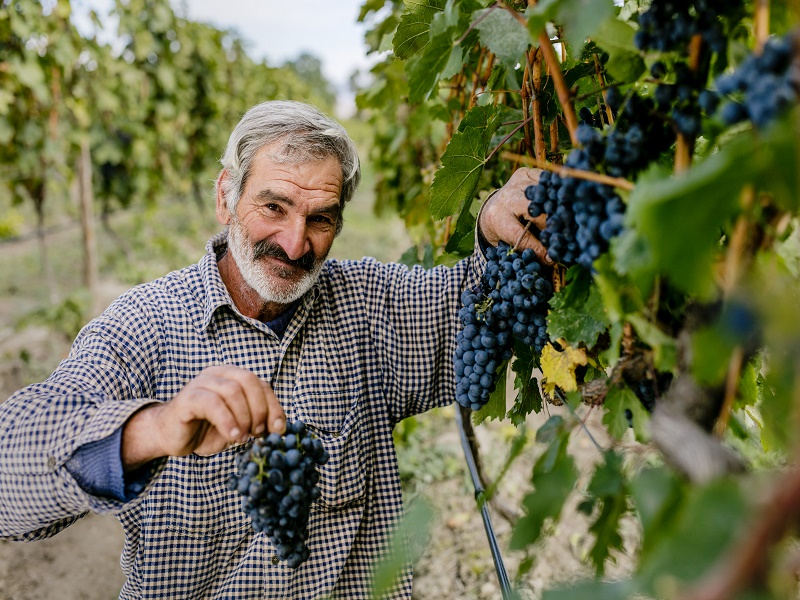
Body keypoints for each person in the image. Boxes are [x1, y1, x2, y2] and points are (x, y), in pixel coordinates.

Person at [0, 100, 547, 599]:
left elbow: (484, 305)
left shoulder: (373, 307)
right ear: (225, 197)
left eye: (319, 219)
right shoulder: (144, 326)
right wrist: (153, 428)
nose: (294, 242)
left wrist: (497, 225)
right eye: (273, 207)